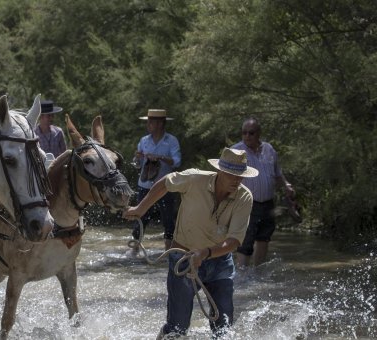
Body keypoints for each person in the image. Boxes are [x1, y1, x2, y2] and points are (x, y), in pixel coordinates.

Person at [123, 147, 258, 338]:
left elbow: (234, 241)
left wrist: (205, 253)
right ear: (220, 171)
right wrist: (141, 208)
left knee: (224, 329)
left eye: (241, 175)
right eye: (232, 175)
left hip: (220, 262)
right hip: (183, 258)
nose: (237, 180)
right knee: (177, 328)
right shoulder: (194, 179)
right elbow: (165, 183)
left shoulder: (244, 197)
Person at [231, 117, 296, 267]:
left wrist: (286, 185)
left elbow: (277, 173)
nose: (247, 136)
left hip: (267, 203)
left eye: (251, 133)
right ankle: (242, 275)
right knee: (245, 240)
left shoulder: (269, 149)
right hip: (246, 202)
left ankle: (257, 272)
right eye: (244, 133)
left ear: (259, 133)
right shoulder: (235, 151)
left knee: (263, 237)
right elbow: (226, 177)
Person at [130, 109, 181, 252]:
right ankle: (134, 250)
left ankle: (168, 251)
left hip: (166, 185)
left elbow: (177, 162)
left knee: (168, 220)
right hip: (145, 185)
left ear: (160, 124)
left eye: (150, 122)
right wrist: (138, 158)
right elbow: (137, 165)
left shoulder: (171, 141)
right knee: (140, 217)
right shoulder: (143, 141)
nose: (148, 125)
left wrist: (159, 158)